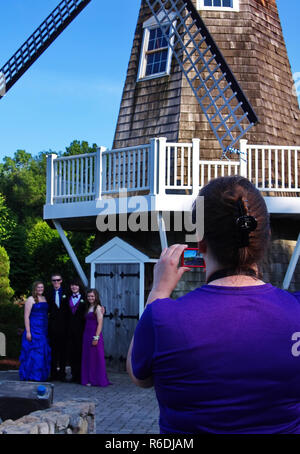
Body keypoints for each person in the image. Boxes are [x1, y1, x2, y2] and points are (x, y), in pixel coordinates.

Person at [127, 175, 300, 434]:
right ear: (266, 237)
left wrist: (159, 291)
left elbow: (139, 376)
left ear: (201, 243)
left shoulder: (163, 317)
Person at [19, 281, 51, 382]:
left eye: (42, 287)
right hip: (33, 328)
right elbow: (26, 316)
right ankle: (32, 375)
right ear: (35, 289)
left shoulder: (45, 298)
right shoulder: (30, 299)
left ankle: (40, 375)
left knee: (42, 352)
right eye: (38, 287)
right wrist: (28, 331)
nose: (40, 289)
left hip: (43, 329)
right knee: (33, 353)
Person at [81, 289, 111, 387]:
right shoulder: (88, 307)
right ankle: (88, 379)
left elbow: (100, 324)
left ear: (96, 297)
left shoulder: (98, 308)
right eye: (89, 296)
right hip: (86, 334)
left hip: (94, 334)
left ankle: (96, 379)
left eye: (92, 296)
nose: (90, 298)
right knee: (88, 357)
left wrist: (96, 337)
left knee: (96, 357)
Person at [46, 273, 69, 381]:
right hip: (52, 326)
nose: (56, 282)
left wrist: (101, 307)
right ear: (51, 282)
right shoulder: (48, 293)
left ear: (61, 280)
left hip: (64, 326)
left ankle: (62, 374)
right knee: (53, 351)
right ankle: (53, 373)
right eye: (53, 280)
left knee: (63, 351)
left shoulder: (67, 292)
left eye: (57, 280)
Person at [66, 279, 87, 383]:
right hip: (69, 330)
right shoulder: (66, 298)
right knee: (72, 353)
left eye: (76, 285)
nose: (74, 287)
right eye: (72, 285)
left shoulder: (84, 299)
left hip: (81, 330)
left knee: (80, 353)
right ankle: (73, 375)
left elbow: (91, 308)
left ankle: (80, 376)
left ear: (79, 287)